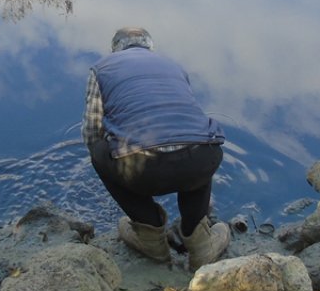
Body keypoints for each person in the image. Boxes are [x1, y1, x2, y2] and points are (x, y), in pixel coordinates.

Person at [82, 27, 230, 271]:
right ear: (150, 47)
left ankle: (151, 237)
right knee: (197, 139)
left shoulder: (102, 68)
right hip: (202, 158)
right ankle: (200, 243)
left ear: (115, 49)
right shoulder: (174, 66)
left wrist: (113, 161)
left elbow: (91, 131)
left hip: (142, 169)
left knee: (98, 150)